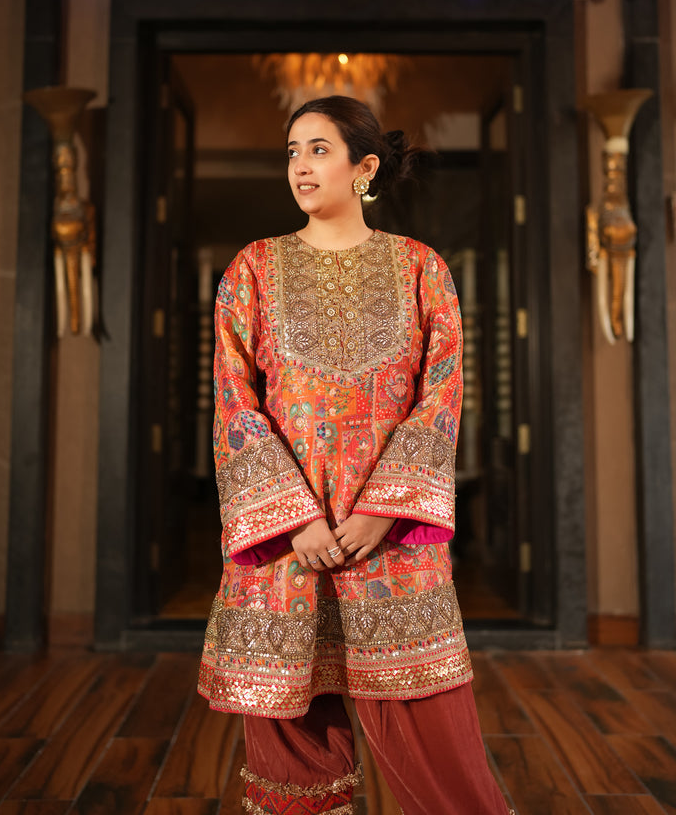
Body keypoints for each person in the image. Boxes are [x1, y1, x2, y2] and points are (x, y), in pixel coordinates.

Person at [199, 95, 513, 815]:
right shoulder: (253, 269)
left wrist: (384, 511)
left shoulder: (421, 269)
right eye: (292, 151)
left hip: (388, 538)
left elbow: (441, 395)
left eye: (318, 149)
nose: (300, 167)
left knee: (434, 741)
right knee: (291, 741)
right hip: (288, 543)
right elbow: (234, 402)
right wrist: (293, 522)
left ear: (364, 167)